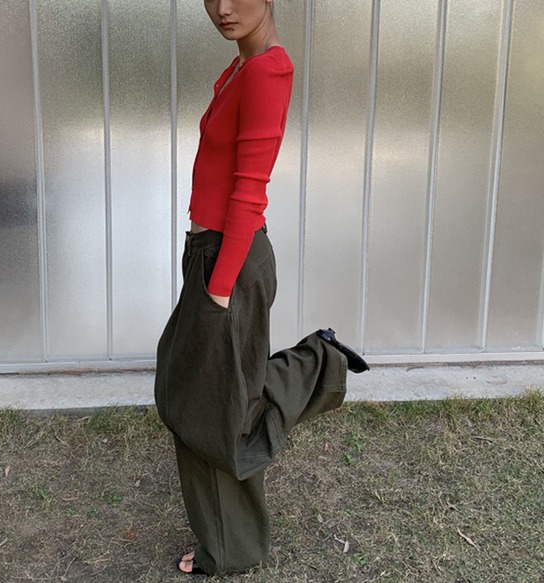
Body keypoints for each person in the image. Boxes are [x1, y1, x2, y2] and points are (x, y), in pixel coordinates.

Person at [154, 0, 369, 576]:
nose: (222, 8)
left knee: (211, 408)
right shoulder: (240, 66)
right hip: (211, 252)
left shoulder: (267, 71)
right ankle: (319, 361)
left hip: (230, 259)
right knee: (212, 393)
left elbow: (250, 189)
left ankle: (232, 549)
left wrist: (218, 289)